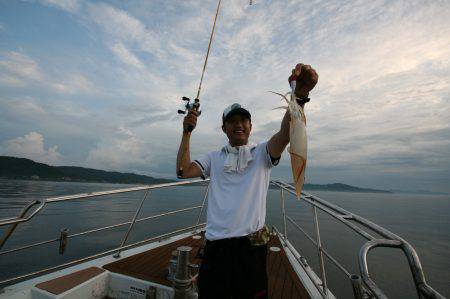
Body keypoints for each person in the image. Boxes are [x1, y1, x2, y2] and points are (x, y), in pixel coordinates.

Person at [176, 63, 318, 298]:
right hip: (216, 250)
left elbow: (286, 134)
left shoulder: (262, 153)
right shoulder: (214, 158)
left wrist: (299, 96)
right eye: (232, 121)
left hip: (251, 250)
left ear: (251, 127)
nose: (239, 124)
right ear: (224, 128)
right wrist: (187, 132)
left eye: (244, 120)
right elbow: (182, 171)